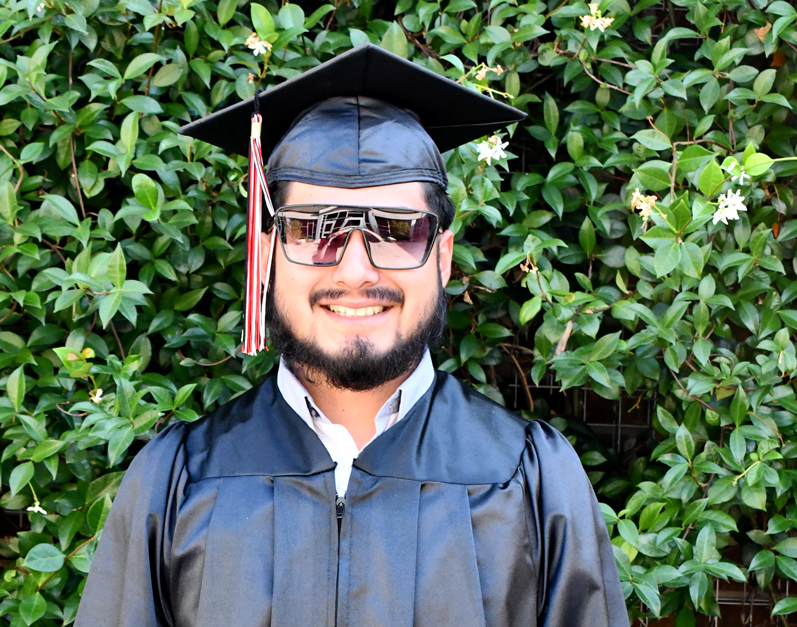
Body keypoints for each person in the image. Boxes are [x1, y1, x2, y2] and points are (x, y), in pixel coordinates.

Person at [74, 44, 629, 627]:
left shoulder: (531, 480)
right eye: (317, 230)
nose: (356, 271)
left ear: (442, 257)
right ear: (267, 254)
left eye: (395, 230)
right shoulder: (178, 480)